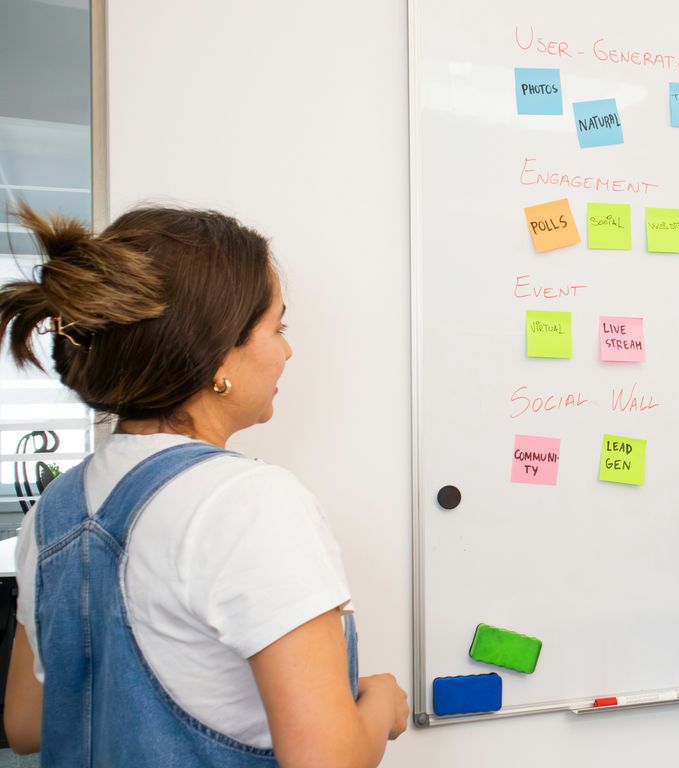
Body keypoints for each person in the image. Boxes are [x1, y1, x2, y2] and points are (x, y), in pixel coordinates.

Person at [0, 203, 409, 766]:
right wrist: (381, 704)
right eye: (277, 327)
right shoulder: (248, 504)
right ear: (218, 356)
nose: (286, 350)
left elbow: (24, 724)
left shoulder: (54, 509)